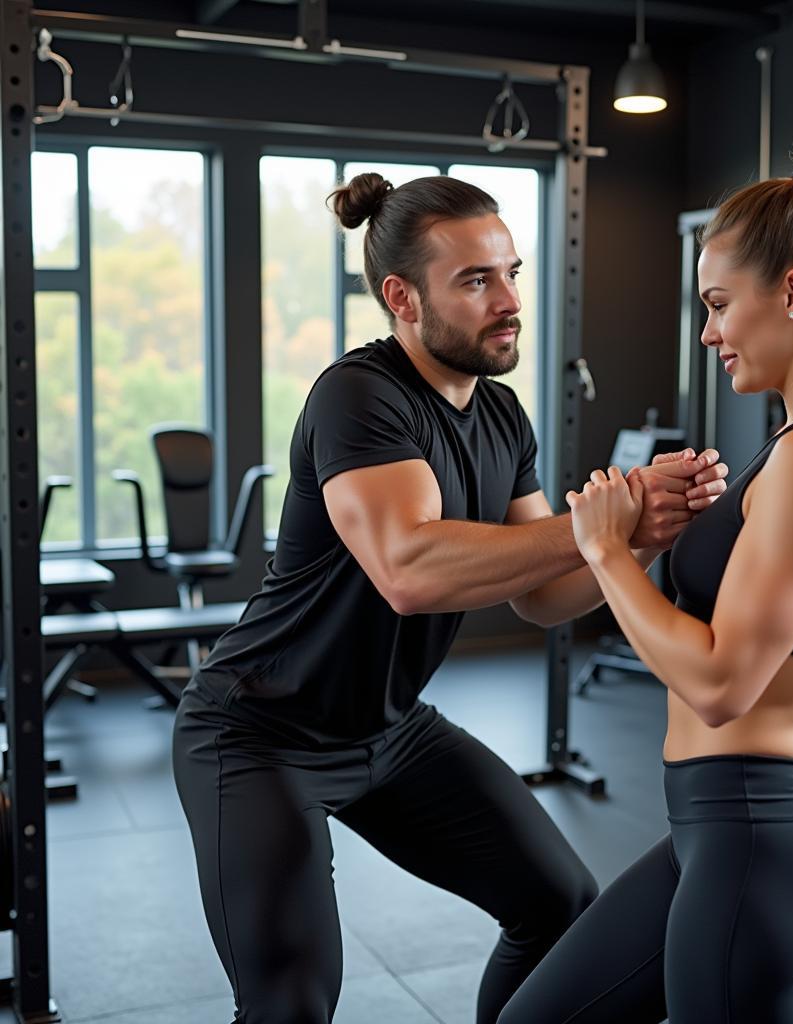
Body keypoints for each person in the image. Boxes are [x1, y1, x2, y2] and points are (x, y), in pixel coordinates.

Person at [172, 171, 729, 1024]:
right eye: (476, 280)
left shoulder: (504, 416)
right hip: (259, 733)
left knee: (561, 906)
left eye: (511, 272)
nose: (509, 300)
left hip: (389, 732)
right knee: (292, 999)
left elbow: (544, 596)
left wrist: (640, 538)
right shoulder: (359, 396)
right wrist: (600, 520)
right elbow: (411, 569)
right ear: (402, 296)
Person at [495, 137, 793, 1024]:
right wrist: (666, 532)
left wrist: (610, 553)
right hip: (725, 836)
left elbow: (724, 684)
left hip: (761, 842)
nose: (708, 331)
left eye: (720, 303)